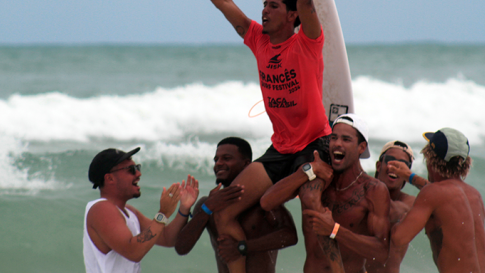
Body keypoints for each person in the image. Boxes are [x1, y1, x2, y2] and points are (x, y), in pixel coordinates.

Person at [175, 0, 333, 273]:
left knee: (304, 208)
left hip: (313, 143)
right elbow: (221, 0)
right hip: (280, 149)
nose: (265, 10)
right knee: (225, 209)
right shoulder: (258, 39)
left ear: (291, 16)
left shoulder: (307, 41)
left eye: (274, 6)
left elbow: (307, 0)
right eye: (264, 4)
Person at [261, 114, 392, 273]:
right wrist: (306, 171)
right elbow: (267, 202)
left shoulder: (372, 190)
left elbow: (381, 252)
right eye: (334, 138)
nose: (337, 143)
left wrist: (335, 230)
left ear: (361, 148)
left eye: (346, 139)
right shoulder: (314, 182)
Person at [175, 137, 298, 273]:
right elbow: (181, 248)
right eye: (216, 160)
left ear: (247, 165)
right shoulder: (207, 204)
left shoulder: (263, 201)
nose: (219, 164)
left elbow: (290, 236)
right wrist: (206, 209)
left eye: (227, 158)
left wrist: (243, 247)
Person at [83, 147, 199, 273]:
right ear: (110, 178)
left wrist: (184, 208)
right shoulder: (100, 209)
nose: (139, 174)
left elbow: (167, 238)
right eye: (131, 170)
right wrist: (163, 213)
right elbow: (133, 251)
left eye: (137, 168)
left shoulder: (129, 212)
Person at [390, 128, 485, 273]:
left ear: (430, 159)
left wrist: (394, 210)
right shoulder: (474, 196)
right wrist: (409, 176)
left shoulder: (433, 194)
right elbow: (441, 196)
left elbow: (399, 238)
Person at [369, 140, 416, 273]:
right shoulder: (362, 192)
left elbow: (391, 212)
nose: (394, 167)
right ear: (379, 166)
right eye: (390, 161)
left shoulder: (410, 203)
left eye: (402, 165)